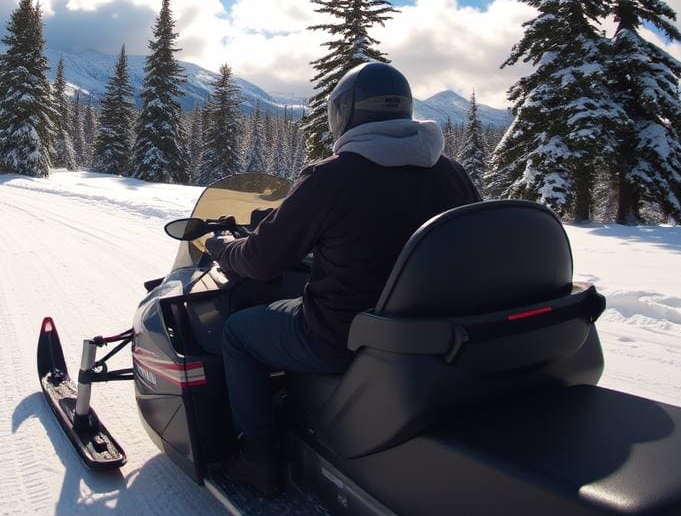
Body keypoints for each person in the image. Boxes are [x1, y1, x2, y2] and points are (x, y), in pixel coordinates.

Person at [205, 62, 481, 496]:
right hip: (434, 335)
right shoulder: (451, 172)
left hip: (341, 337)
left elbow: (260, 262)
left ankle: (258, 457)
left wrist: (223, 248)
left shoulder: (332, 176)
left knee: (240, 333)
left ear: (345, 113)